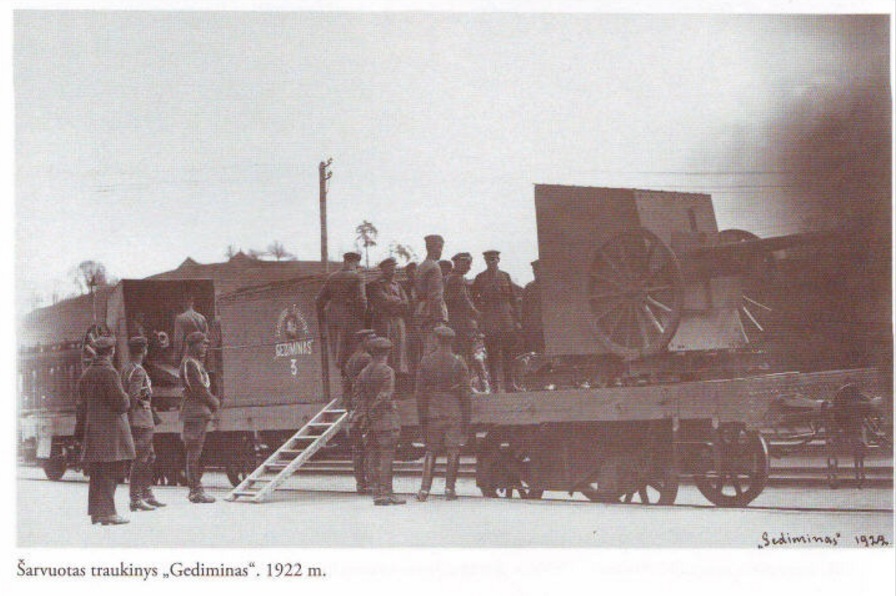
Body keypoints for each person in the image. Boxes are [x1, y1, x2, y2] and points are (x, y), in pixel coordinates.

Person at [76, 335, 135, 525]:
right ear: (111, 352)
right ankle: (108, 513)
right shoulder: (110, 373)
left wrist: (80, 432)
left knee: (98, 473)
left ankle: (97, 512)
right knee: (111, 471)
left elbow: (81, 406)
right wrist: (127, 396)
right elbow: (120, 403)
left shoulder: (87, 374)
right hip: (110, 432)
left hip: (93, 430)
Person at [415, 326, 471, 502]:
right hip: (454, 409)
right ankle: (449, 489)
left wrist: (422, 415)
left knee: (431, 451)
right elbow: (466, 392)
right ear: (451, 341)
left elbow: (420, 393)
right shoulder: (459, 362)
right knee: (453, 450)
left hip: (433, 410)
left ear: (436, 340)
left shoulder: (426, 361)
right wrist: (466, 418)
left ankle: (424, 490)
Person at [353, 337, 406, 506]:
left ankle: (376, 492)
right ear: (386, 353)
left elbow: (358, 397)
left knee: (372, 455)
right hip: (385, 419)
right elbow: (385, 395)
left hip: (370, 422)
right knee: (386, 457)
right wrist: (374, 412)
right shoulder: (387, 371)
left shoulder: (363, 373)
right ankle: (387, 493)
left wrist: (365, 414)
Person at [121, 336, 166, 511]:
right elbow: (133, 396)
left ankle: (147, 494)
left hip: (138, 418)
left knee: (149, 457)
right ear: (144, 350)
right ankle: (136, 499)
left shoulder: (126, 368)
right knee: (141, 459)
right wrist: (140, 408)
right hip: (141, 419)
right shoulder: (138, 371)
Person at [472, 250, 521, 392]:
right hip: (490, 320)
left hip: (506, 320)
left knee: (508, 352)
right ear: (486, 261)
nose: (492, 262)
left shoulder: (505, 276)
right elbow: (474, 299)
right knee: (492, 353)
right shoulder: (480, 278)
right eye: (489, 259)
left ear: (498, 260)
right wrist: (480, 317)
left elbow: (513, 299)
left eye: (494, 259)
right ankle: (494, 385)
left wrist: (517, 320)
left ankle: (510, 383)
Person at [179, 331, 220, 503]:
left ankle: (196, 488)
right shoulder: (189, 364)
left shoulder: (195, 363)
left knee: (197, 452)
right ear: (192, 345)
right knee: (194, 452)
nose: (205, 347)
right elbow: (198, 388)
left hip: (199, 413)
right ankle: (195, 490)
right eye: (202, 344)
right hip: (194, 413)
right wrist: (214, 402)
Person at [316, 251, 368, 371]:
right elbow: (362, 300)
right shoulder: (358, 276)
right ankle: (350, 383)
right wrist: (362, 317)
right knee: (353, 352)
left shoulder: (332, 277)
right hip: (351, 319)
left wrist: (323, 318)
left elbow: (319, 300)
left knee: (337, 352)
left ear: (344, 261)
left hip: (333, 319)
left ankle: (340, 376)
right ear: (355, 262)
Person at [343, 328, 377, 494]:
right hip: (365, 407)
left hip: (355, 408)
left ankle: (360, 484)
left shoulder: (351, 360)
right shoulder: (368, 359)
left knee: (357, 450)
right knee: (370, 447)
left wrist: (349, 407)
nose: (373, 342)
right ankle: (370, 483)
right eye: (371, 339)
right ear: (364, 341)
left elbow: (346, 387)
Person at [368, 257, 410, 377]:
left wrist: (395, 302)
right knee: (385, 348)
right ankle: (383, 377)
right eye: (389, 268)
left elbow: (406, 303)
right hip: (383, 321)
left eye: (394, 268)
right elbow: (383, 300)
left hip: (398, 320)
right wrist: (397, 301)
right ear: (383, 269)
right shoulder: (376, 284)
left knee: (399, 351)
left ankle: (398, 381)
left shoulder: (398, 285)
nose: (393, 271)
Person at [444, 252, 481, 362]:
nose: (469, 267)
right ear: (458, 263)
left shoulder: (449, 278)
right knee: (464, 354)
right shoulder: (457, 279)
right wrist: (476, 314)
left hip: (454, 321)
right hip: (461, 323)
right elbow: (464, 301)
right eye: (467, 263)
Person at [415, 235, 448, 356]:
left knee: (425, 351)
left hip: (421, 312)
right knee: (435, 351)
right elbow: (436, 296)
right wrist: (439, 317)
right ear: (432, 248)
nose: (441, 251)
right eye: (439, 247)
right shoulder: (435, 267)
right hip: (432, 315)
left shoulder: (421, 266)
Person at [172, 295, 209, 364]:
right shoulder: (202, 317)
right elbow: (206, 336)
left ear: (183, 303)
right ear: (192, 303)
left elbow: (178, 340)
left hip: (188, 352)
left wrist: (176, 357)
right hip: (201, 352)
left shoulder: (180, 318)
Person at [521, 259, 546, 354]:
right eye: (534, 270)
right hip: (534, 326)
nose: (536, 273)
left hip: (547, 326)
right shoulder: (529, 287)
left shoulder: (549, 286)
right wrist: (525, 325)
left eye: (538, 270)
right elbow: (524, 308)